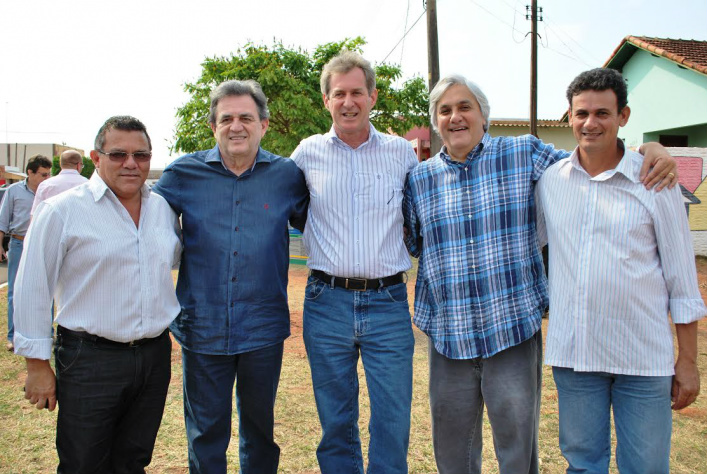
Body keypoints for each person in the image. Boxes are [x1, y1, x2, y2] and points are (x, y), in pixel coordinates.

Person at [402, 74, 677, 474]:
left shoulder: (523, 154)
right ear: (435, 121)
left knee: (517, 451)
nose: (455, 117)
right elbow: (415, 243)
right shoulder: (419, 179)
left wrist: (647, 149)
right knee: (452, 451)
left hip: (512, 330)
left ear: (484, 117)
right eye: (445, 110)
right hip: (449, 334)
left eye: (465, 107)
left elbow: (591, 163)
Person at [536, 67, 705, 474]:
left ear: (623, 116)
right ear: (569, 117)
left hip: (643, 359)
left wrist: (688, 361)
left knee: (645, 467)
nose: (590, 123)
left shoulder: (654, 181)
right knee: (583, 465)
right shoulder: (550, 182)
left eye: (602, 113)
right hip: (576, 356)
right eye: (581, 114)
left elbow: (682, 280)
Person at [153, 79, 308, 474]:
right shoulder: (182, 173)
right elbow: (136, 219)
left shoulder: (288, 175)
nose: (236, 126)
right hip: (202, 328)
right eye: (226, 118)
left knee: (259, 432)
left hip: (262, 328)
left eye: (246, 117)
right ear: (213, 127)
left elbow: (323, 224)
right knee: (205, 433)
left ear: (264, 125)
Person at [12, 115, 182, 473]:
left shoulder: (162, 210)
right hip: (90, 359)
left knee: (134, 459)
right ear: (95, 157)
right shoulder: (62, 210)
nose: (132, 163)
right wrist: (37, 365)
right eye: (118, 154)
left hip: (153, 358)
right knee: (83, 462)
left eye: (142, 155)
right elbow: (32, 287)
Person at [291, 51, 417, 474]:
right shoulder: (306, 154)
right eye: (339, 93)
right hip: (326, 301)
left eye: (357, 92)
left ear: (373, 96)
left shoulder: (401, 153)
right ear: (326, 99)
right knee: (336, 418)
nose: (349, 101)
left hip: (388, 301)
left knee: (393, 417)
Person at [0, 154, 51, 351]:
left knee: (46, 290)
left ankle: (47, 334)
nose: (46, 179)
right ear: (30, 172)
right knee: (15, 291)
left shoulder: (49, 191)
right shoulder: (13, 191)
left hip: (41, 244)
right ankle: (13, 336)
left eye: (49, 175)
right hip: (19, 244)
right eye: (43, 174)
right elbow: (3, 220)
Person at [30, 149, 88, 216]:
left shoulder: (45, 185)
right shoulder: (88, 184)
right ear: (78, 165)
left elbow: (35, 214)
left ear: (61, 164)